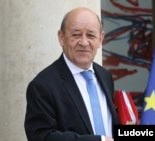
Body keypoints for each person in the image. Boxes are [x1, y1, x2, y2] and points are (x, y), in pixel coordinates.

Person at [24, 7, 120, 141]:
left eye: (91, 35)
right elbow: (41, 136)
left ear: (100, 39)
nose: (84, 42)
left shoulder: (105, 76)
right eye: (76, 35)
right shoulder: (42, 86)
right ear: (61, 38)